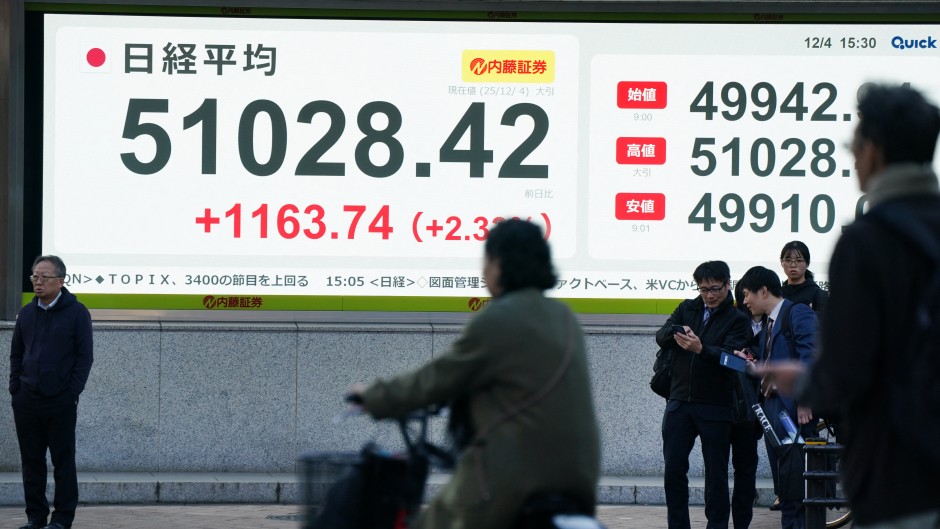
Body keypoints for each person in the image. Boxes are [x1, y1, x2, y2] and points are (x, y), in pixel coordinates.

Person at [763, 84, 940, 529]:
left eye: (854, 146)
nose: (852, 157)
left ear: (875, 151)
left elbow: (846, 372)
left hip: (900, 475)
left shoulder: (867, 242)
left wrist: (804, 382)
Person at [348, 219, 600, 529]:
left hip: (518, 476)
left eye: (487, 261)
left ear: (500, 264)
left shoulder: (501, 318)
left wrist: (374, 396)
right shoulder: (565, 318)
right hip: (578, 477)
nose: (483, 272)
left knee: (435, 518)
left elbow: (435, 379)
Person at [656, 261, 751, 529]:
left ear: (727, 284)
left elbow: (732, 359)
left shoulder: (738, 320)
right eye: (703, 289)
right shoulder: (687, 307)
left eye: (715, 289)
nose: (709, 295)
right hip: (679, 403)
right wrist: (676, 333)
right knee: (674, 470)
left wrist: (701, 348)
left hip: (716, 405)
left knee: (716, 474)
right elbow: (660, 334)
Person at [9, 255, 94, 529]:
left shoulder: (77, 312)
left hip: (60, 401)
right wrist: (15, 387)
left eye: (45, 276)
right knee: (31, 462)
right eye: (35, 276)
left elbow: (85, 357)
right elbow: (16, 353)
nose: (38, 281)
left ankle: (61, 519)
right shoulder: (27, 312)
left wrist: (72, 392)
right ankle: (35, 517)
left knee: (62, 462)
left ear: (60, 280)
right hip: (27, 400)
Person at [737, 266, 817, 529]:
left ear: (763, 291)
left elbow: (811, 357)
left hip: (793, 409)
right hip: (773, 407)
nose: (745, 301)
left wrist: (805, 398)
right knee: (784, 478)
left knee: (796, 478)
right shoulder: (769, 322)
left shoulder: (797, 313)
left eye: (747, 294)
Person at [729, 282, 763, 529]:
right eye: (743, 295)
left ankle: (742, 522)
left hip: (752, 408)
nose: (747, 300)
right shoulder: (733, 321)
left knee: (745, 468)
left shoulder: (775, 322)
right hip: (728, 404)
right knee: (721, 467)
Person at [778, 241, 828, 316]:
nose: (793, 265)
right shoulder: (778, 294)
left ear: (807, 263)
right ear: (782, 262)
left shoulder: (818, 295)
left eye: (799, 260)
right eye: (788, 260)